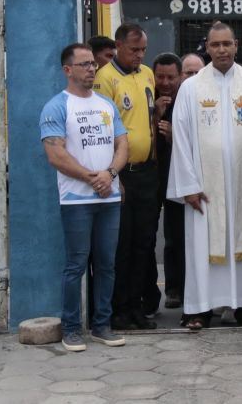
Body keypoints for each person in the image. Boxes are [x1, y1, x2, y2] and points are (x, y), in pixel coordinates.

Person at [167, 22, 242, 331]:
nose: (222, 50)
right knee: (202, 246)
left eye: (227, 44)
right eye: (215, 45)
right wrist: (188, 185)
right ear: (207, 48)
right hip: (204, 187)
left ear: (236, 45)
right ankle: (200, 309)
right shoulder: (191, 87)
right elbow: (181, 137)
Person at [40, 43, 129, 352]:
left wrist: (110, 174)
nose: (92, 68)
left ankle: (102, 325)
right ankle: (72, 328)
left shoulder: (106, 104)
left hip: (108, 199)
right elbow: (55, 154)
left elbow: (122, 145)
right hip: (76, 201)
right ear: (68, 70)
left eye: (93, 63)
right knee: (76, 265)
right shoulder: (56, 106)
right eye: (84, 64)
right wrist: (92, 178)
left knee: (106, 264)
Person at [93, 23, 161, 330]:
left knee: (144, 244)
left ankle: (137, 307)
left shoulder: (147, 74)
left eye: (143, 49)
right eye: (134, 49)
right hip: (122, 175)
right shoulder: (105, 79)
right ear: (119, 46)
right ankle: (118, 309)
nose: (139, 55)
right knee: (121, 245)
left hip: (147, 172)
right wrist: (113, 174)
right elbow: (104, 131)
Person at [153, 52, 185, 310]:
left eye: (171, 77)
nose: (165, 82)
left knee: (186, 236)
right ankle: (170, 289)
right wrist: (156, 116)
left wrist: (175, 136)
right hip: (157, 179)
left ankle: (189, 289)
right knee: (165, 238)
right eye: (160, 76)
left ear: (180, 77)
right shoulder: (148, 98)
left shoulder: (188, 100)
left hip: (185, 177)